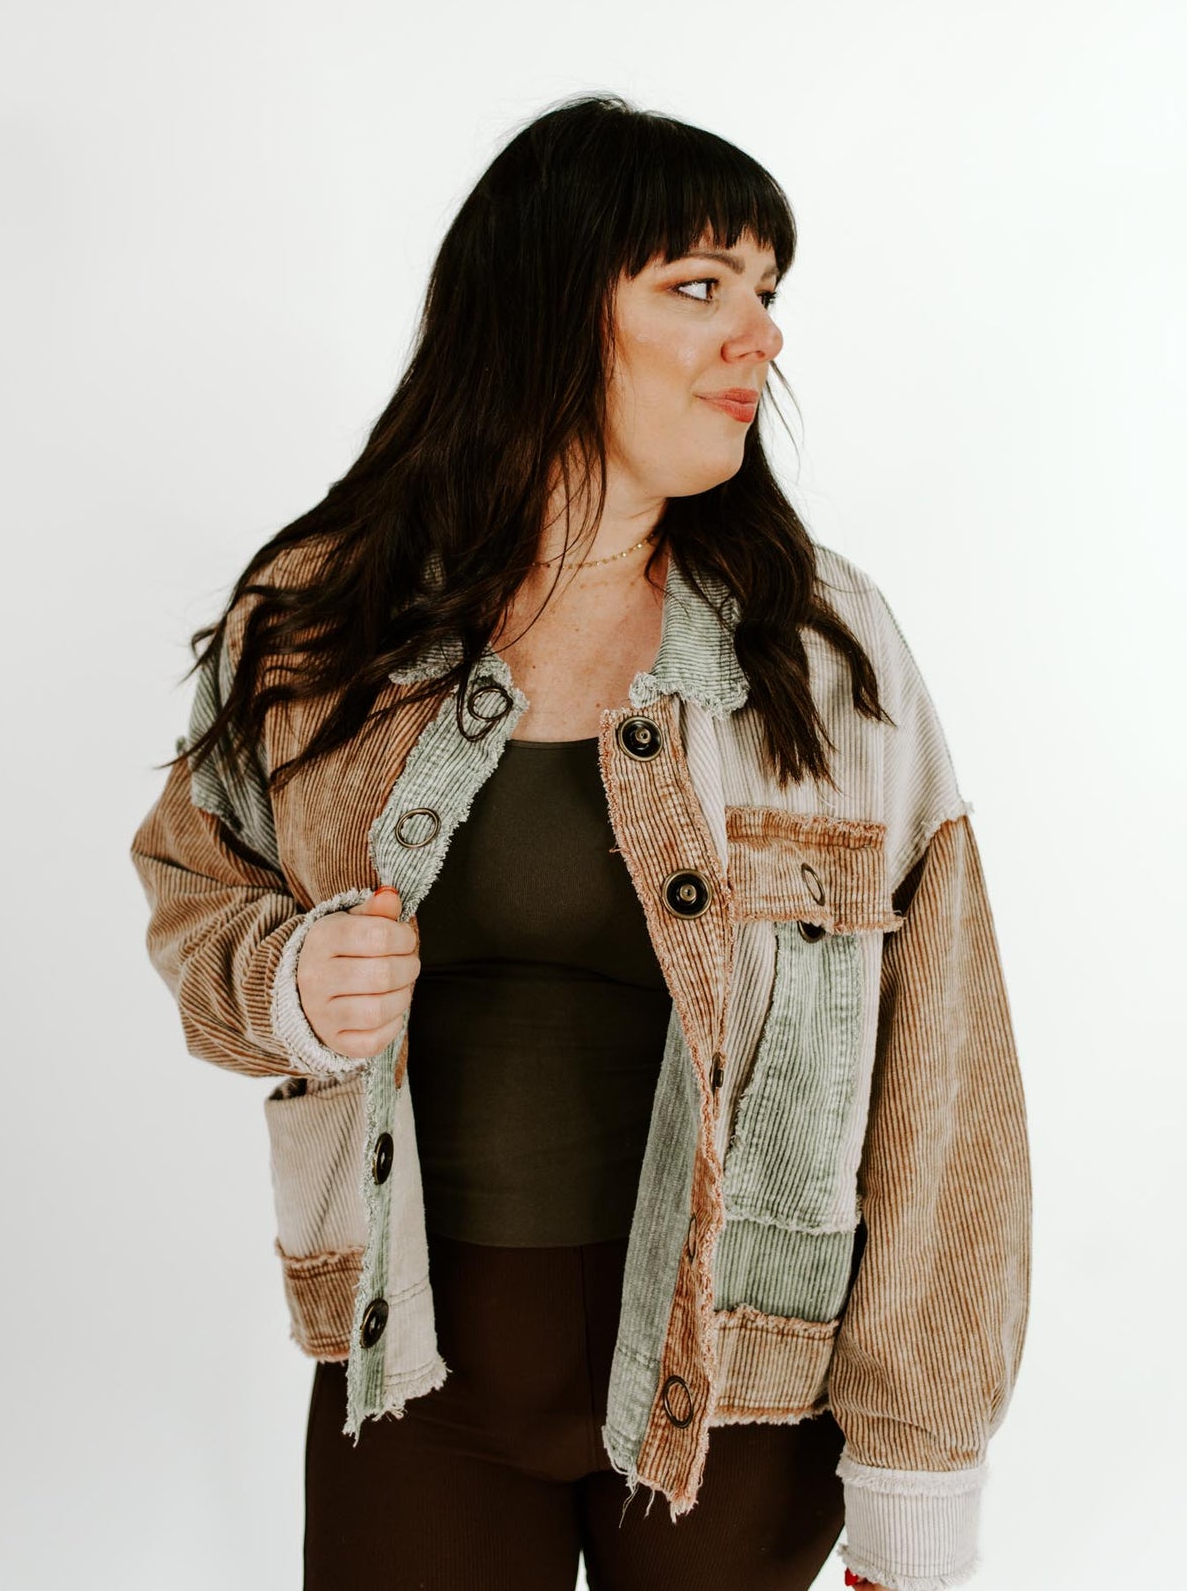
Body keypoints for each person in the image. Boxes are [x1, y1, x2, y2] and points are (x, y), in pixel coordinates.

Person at [130, 92, 1031, 1591]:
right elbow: (192, 885)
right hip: (410, 1377)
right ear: (547, 308)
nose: (763, 338)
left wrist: (918, 1470)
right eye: (700, 286)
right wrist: (288, 980)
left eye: (767, 292)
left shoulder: (826, 649)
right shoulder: (319, 621)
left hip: (738, 1393)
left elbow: (948, 1065)